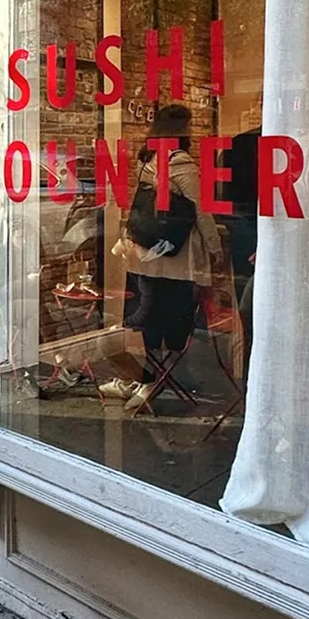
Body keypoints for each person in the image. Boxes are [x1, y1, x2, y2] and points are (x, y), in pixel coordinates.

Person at [101, 104, 223, 410]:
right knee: (165, 320)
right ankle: (149, 380)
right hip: (173, 258)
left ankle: (143, 378)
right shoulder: (182, 165)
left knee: (150, 317)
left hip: (145, 252)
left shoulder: (150, 161)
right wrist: (216, 248)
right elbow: (202, 211)